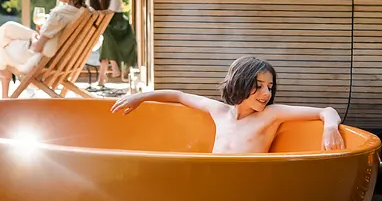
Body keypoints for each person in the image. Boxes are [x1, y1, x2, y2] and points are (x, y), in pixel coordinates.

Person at [111, 55, 345, 154]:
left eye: (270, 87)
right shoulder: (219, 111)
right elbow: (179, 95)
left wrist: (330, 127)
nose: (266, 93)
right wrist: (140, 97)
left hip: (242, 187)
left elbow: (327, 111)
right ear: (240, 83)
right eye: (259, 85)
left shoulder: (270, 115)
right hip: (214, 179)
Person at [87, 0, 138, 87]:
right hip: (106, 27)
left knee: (105, 33)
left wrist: (96, 13)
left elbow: (110, 12)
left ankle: (106, 75)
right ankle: (108, 73)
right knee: (106, 38)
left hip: (119, 26)